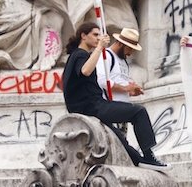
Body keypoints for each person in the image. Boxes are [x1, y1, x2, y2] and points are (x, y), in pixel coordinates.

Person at [61, 23, 166, 171]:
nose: (98, 38)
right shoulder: (80, 54)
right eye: (95, 34)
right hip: (92, 106)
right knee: (138, 111)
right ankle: (149, 155)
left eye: (99, 35)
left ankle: (140, 161)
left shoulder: (79, 56)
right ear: (83, 36)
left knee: (119, 139)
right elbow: (85, 71)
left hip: (92, 106)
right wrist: (99, 48)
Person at [98, 27, 144, 103]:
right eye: (129, 48)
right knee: (140, 111)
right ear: (120, 44)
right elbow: (102, 80)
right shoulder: (106, 56)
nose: (130, 53)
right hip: (110, 104)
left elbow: (120, 81)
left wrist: (131, 91)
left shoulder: (124, 61)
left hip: (123, 103)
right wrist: (126, 88)